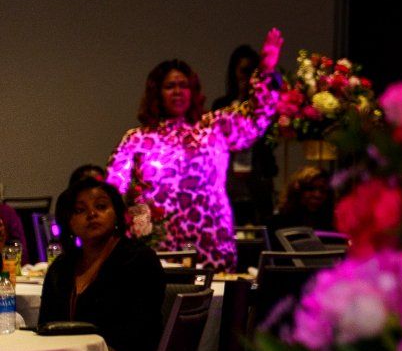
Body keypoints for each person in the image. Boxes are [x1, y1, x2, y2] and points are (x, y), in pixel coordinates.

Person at [107, 32, 280, 273]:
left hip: (211, 243)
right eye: (170, 86)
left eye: (183, 85)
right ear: (157, 92)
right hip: (157, 247)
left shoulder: (214, 127)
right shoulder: (136, 139)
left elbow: (257, 116)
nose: (178, 91)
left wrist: (266, 70)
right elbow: (113, 190)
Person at [38, 178, 166, 351]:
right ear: (69, 221)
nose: (91, 214)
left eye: (101, 206)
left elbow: (138, 338)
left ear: (116, 213)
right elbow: (45, 328)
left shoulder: (138, 260)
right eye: (80, 210)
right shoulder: (61, 268)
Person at [213, 43, 279, 224]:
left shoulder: (264, 107)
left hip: (256, 178)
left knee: (259, 225)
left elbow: (269, 142)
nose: (247, 77)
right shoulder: (222, 105)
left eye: (252, 72)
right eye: (243, 71)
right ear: (234, 72)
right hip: (229, 179)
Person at [270, 166, 336, 236]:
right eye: (310, 188)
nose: (317, 195)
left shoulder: (332, 223)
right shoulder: (278, 222)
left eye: (323, 190)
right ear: (298, 191)